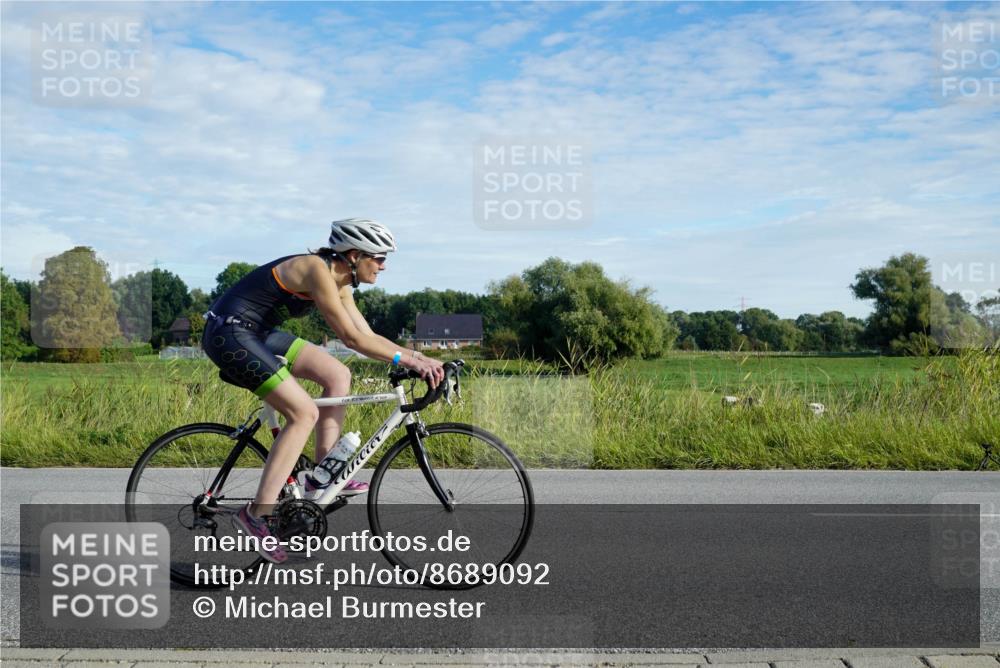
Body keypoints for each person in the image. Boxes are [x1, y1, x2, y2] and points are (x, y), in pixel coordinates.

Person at [201, 218, 445, 563]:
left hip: (257, 332)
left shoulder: (342, 281)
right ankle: (255, 514)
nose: (384, 265)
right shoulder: (317, 270)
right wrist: (411, 362)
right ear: (355, 255)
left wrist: (419, 358)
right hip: (230, 333)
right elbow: (351, 339)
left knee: (337, 373)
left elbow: (368, 335)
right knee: (303, 413)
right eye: (378, 257)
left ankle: (322, 474)